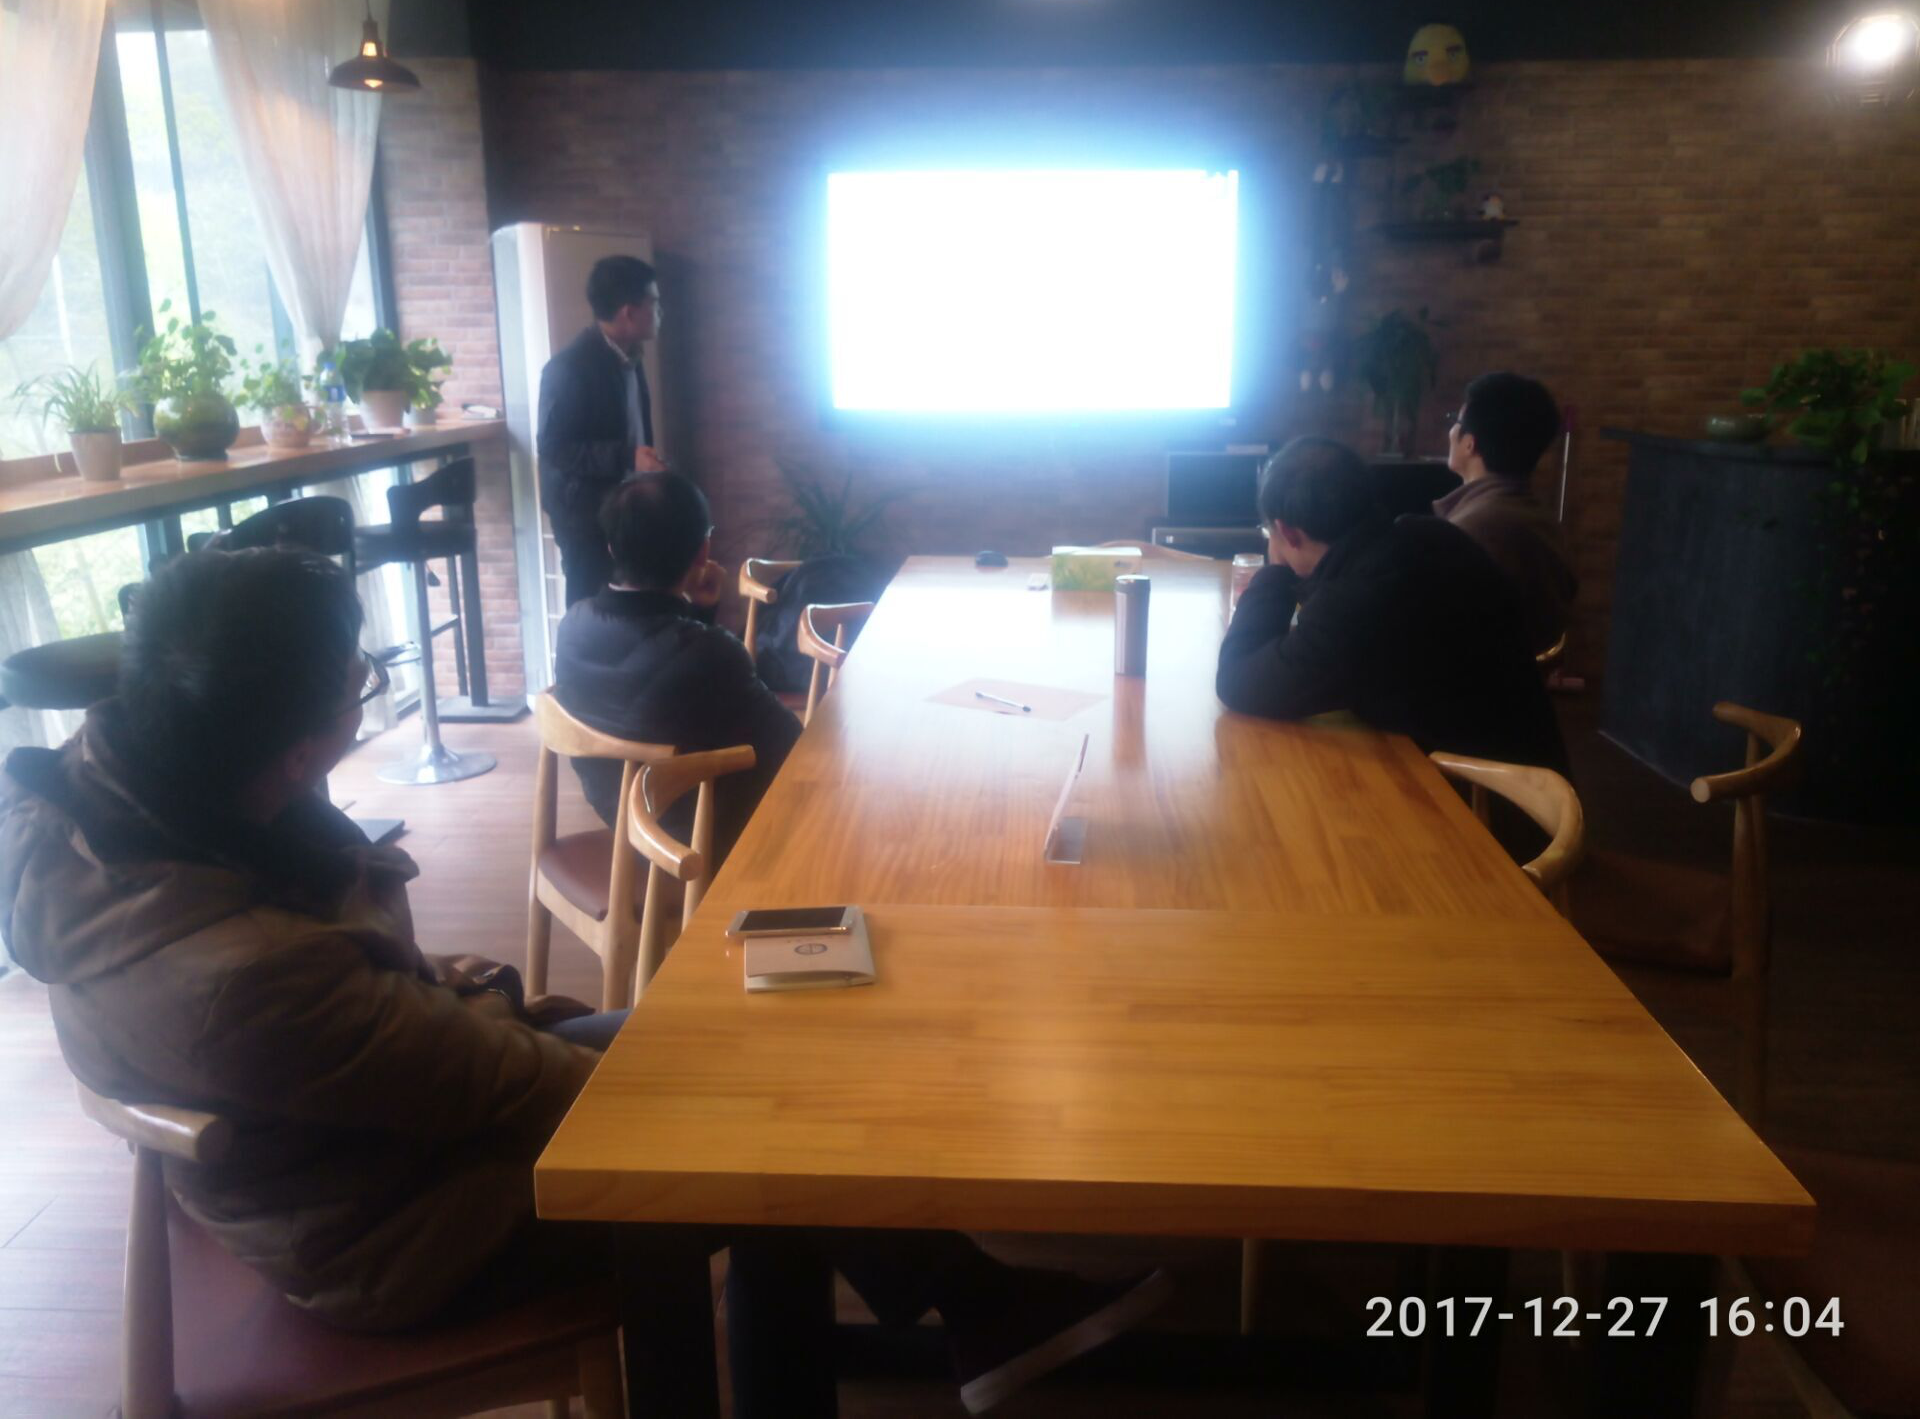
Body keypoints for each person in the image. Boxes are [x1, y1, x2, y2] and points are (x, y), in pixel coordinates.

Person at [0, 548, 1163, 1416]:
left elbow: (413, 1039)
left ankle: (964, 1311)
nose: (367, 688)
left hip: (352, 1144)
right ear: (299, 747)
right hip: (392, 1232)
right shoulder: (239, 977)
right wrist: (667, 1081)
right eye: (358, 677)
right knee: (766, 1131)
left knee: (750, 1067)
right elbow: (493, 1085)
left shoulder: (138, 785)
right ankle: (956, 1313)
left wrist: (630, 1044)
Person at [1217, 436, 1568, 774]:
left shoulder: (1359, 599)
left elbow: (1238, 682)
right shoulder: (1430, 536)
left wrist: (1276, 569)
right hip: (1526, 759)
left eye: (1270, 534)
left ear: (1288, 533)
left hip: (1479, 802)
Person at [554, 471, 802, 860]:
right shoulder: (712, 653)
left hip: (622, 819)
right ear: (703, 551)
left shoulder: (574, 624)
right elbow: (791, 747)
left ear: (612, 548)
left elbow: (665, 676)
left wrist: (699, 612)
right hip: (695, 848)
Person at [538, 254, 665, 609]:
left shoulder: (630, 356)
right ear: (629, 312)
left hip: (622, 507)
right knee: (589, 609)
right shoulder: (568, 369)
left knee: (628, 608)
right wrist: (627, 457)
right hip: (584, 516)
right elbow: (554, 448)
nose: (660, 312)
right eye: (654, 303)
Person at [1436, 372, 1578, 654]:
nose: (1451, 432)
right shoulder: (1540, 518)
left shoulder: (1475, 529)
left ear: (1470, 443)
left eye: (1456, 421)